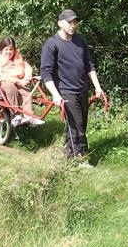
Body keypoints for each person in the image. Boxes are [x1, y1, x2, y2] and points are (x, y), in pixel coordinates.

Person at [40, 9, 104, 163]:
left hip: (82, 89)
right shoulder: (52, 44)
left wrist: (97, 86)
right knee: (76, 125)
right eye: (69, 22)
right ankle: (80, 159)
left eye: (75, 22)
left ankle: (68, 154)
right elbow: (46, 73)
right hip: (65, 91)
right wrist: (56, 95)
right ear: (60, 23)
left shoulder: (80, 41)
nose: (73, 25)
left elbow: (89, 65)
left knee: (79, 124)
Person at [0, 37, 45, 126]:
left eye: (11, 49)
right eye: (6, 49)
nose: (9, 52)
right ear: (1, 50)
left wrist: (27, 78)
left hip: (15, 82)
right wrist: (18, 81)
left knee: (25, 90)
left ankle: (29, 116)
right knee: (10, 87)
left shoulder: (17, 58)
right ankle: (15, 116)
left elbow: (27, 67)